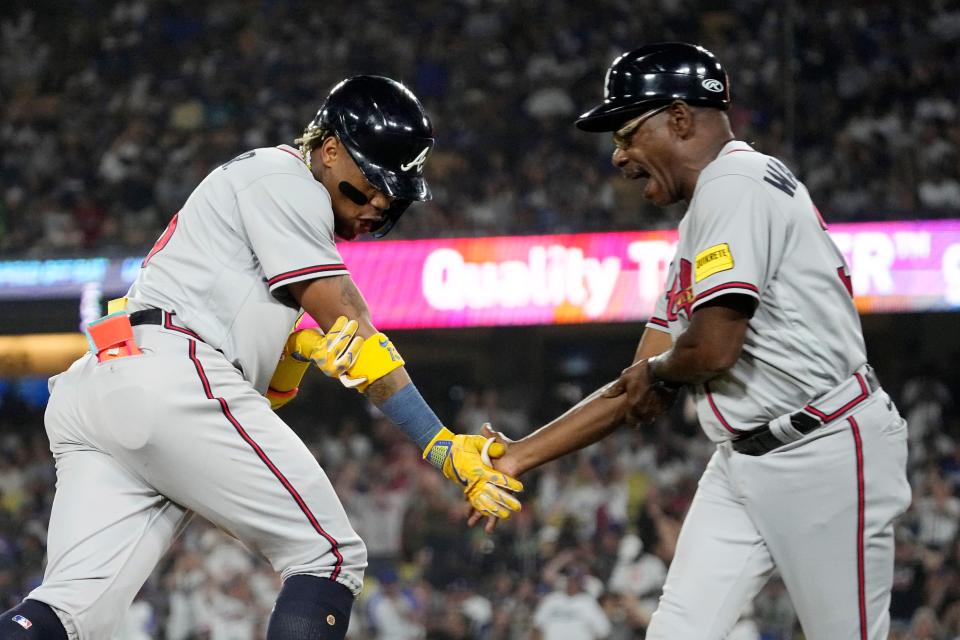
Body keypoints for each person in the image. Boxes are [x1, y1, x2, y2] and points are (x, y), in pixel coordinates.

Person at [0, 75, 522, 640]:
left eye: (390, 195)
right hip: (169, 373)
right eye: (365, 185)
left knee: (66, 616)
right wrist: (439, 444)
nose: (375, 204)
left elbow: (262, 397)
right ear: (327, 150)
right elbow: (357, 328)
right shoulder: (288, 179)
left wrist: (295, 351)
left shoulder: (262, 192)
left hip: (107, 386)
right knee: (329, 558)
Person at [479, 43, 912, 639]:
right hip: (742, 458)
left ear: (680, 118)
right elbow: (636, 384)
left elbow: (710, 349)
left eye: (627, 133)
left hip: (826, 448)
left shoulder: (734, 183)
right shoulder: (705, 213)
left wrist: (658, 375)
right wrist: (520, 454)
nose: (618, 156)